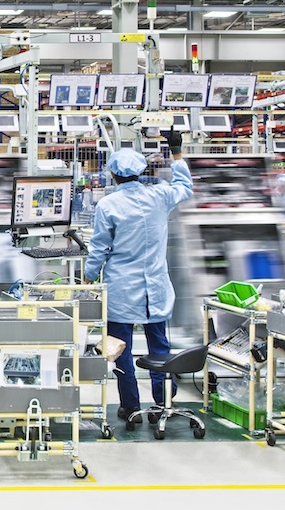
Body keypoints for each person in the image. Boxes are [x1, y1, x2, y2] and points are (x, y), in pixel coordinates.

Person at [85, 133, 194, 421]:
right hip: (155, 289)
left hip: (121, 290)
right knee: (159, 347)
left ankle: (130, 405)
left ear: (112, 174)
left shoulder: (108, 205)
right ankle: (162, 402)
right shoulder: (160, 195)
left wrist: (89, 275)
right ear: (141, 171)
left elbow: (99, 247)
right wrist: (177, 152)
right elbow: (185, 186)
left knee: (120, 349)